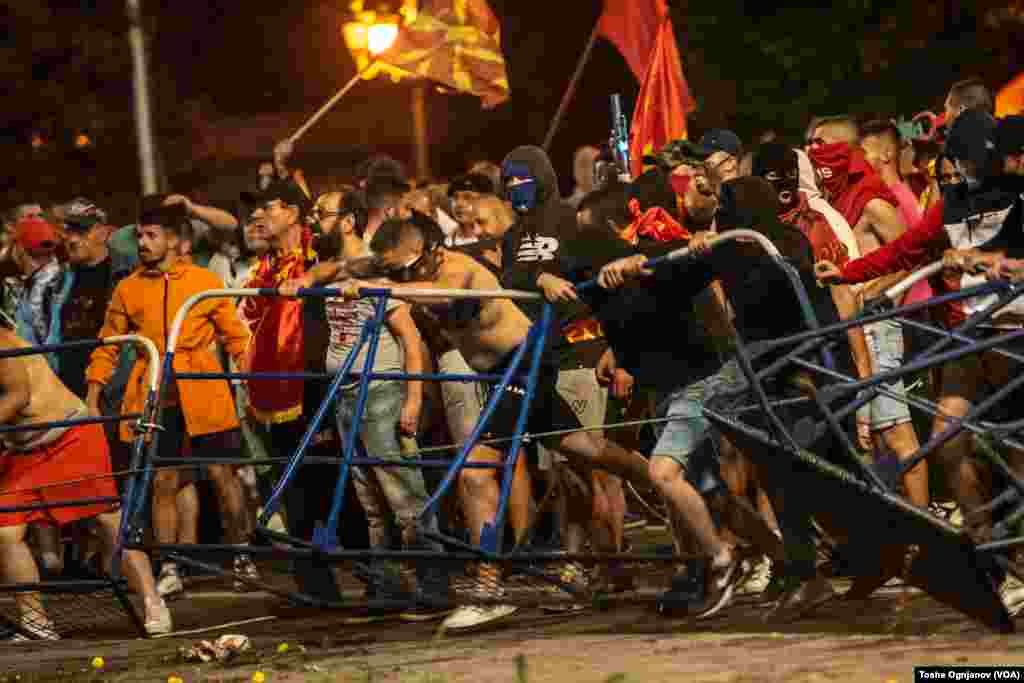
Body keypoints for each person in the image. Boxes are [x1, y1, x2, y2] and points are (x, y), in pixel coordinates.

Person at [286, 215, 656, 628]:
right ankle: (661, 478)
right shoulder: (399, 268)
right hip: (498, 374)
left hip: (522, 363)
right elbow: (341, 267)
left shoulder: (459, 269)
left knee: (474, 474)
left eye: (405, 268)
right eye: (391, 269)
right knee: (586, 448)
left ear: (432, 253)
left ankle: (488, 589)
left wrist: (386, 286)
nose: (397, 274)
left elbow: (438, 293)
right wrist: (305, 280)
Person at [86, 199, 255, 598]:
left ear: (176, 241)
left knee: (221, 476)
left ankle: (242, 554)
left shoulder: (201, 282)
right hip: (155, 396)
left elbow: (236, 336)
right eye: (139, 235)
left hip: (205, 393)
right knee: (162, 481)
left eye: (151, 235)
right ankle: (171, 565)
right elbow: (107, 345)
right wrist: (93, 396)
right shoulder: (127, 287)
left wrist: (249, 380)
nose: (142, 242)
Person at [0, 326, 171, 639]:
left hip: (69, 436)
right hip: (24, 450)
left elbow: (17, 394)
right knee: (5, 529)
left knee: (107, 521)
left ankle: (152, 601)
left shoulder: (1, 339)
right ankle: (35, 621)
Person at [321, 205, 449, 620]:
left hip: (380, 393)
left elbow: (412, 343)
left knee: (403, 494)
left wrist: (412, 400)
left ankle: (434, 587)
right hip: (346, 396)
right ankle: (389, 586)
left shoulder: (382, 286)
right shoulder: (333, 276)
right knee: (370, 498)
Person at [4, 218, 64, 373]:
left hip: (45, 380)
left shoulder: (45, 287)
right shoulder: (53, 278)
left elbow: (47, 345)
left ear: (20, 249)